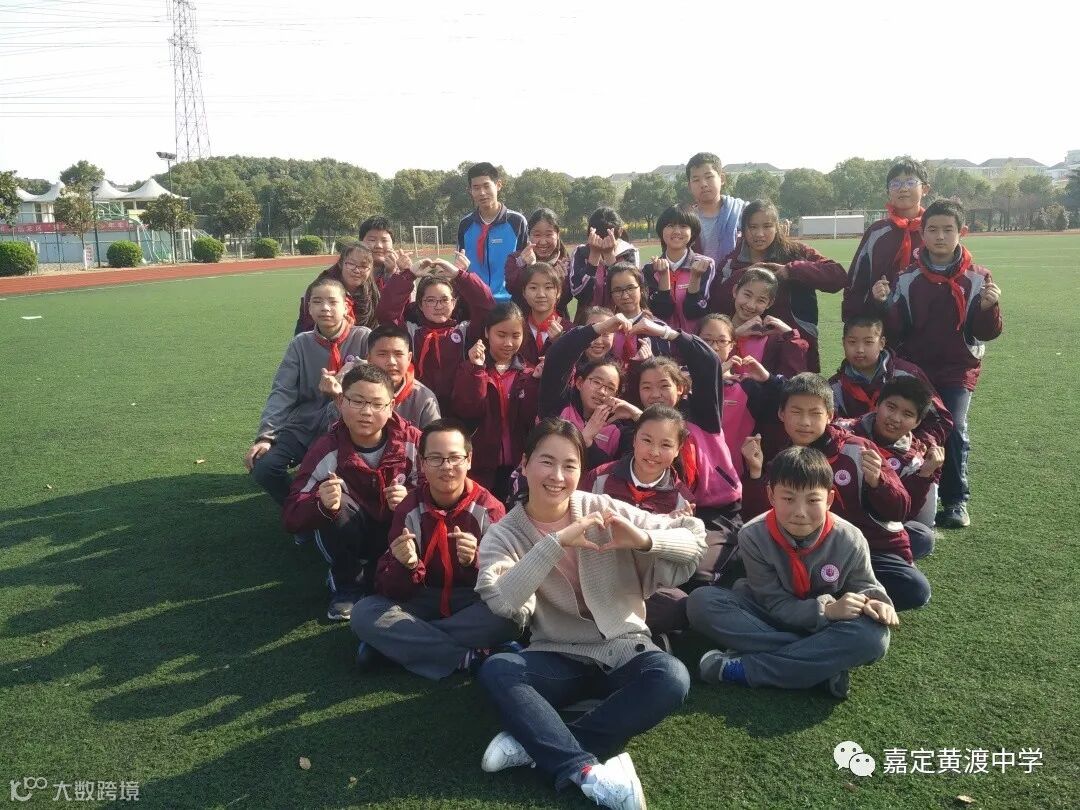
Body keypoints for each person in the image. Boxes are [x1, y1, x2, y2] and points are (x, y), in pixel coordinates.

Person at [475, 418, 706, 809]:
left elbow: (695, 537)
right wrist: (555, 544)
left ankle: (538, 743)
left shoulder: (600, 507)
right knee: (498, 670)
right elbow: (502, 600)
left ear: (581, 471)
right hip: (558, 655)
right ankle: (586, 772)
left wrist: (645, 539)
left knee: (671, 677)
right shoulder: (504, 533)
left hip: (623, 650)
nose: (558, 476)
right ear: (525, 463)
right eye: (546, 462)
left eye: (570, 465)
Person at [687, 446, 896, 700]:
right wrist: (827, 611)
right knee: (701, 602)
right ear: (771, 495)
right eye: (788, 499)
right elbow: (773, 602)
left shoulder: (850, 538)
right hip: (768, 616)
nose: (800, 512)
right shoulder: (753, 535)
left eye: (813, 500)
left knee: (874, 637)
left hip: (827, 627)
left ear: (829, 499)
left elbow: (865, 586)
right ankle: (820, 666)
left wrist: (876, 602)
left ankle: (748, 669)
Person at [742, 373, 930, 611]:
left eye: (815, 413)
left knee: (915, 588)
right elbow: (760, 521)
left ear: (830, 415)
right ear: (781, 413)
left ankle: (820, 601)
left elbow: (900, 511)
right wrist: (755, 474)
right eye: (796, 412)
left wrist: (878, 483)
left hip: (866, 550)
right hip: (808, 552)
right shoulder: (782, 458)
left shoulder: (858, 449)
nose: (805, 422)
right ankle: (827, 604)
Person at [349, 419, 520, 678]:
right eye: (436, 459)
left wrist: (475, 561)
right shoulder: (408, 508)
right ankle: (467, 657)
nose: (447, 467)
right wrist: (405, 566)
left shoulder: (490, 509)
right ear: (422, 463)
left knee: (510, 617)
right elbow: (388, 587)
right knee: (363, 613)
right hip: (423, 597)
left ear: (469, 460)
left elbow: (505, 582)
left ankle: (398, 644)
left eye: (455, 458)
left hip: (471, 601)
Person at [874, 198, 1003, 529]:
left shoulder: (978, 277)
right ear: (923, 233)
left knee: (954, 428)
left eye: (948, 229)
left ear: (962, 232)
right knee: (908, 425)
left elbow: (985, 333)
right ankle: (902, 494)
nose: (940, 236)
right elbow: (897, 330)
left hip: (958, 368)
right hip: (915, 367)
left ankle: (955, 500)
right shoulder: (907, 277)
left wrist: (988, 308)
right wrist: (885, 304)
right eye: (932, 229)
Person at [282, 364, 421, 620]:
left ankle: (390, 572)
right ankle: (347, 583)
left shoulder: (413, 441)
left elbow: (443, 488)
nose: (366, 412)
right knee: (336, 505)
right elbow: (291, 514)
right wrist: (320, 504)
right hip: (351, 528)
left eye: (377, 404)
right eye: (357, 401)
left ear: (391, 406)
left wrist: (410, 498)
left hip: (393, 530)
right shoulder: (326, 448)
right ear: (340, 402)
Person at [248, 277, 370, 512]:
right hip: (303, 426)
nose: (325, 308)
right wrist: (265, 437)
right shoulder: (300, 343)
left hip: (347, 428)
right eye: (317, 302)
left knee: (344, 476)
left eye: (332, 302)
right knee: (264, 467)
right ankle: (298, 509)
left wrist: (344, 383)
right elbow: (282, 391)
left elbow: (376, 382)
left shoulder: (363, 337)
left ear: (346, 306)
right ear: (309, 309)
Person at [683, 199, 846, 371]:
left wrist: (791, 270)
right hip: (744, 355)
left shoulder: (796, 253)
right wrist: (747, 274)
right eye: (753, 227)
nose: (759, 234)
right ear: (743, 229)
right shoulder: (732, 261)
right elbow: (717, 306)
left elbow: (838, 276)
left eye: (767, 226)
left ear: (777, 227)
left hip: (793, 351)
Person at [376, 253, 494, 413]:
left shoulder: (466, 331)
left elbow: (486, 306)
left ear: (454, 303)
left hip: (460, 410)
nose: (438, 306)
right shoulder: (410, 332)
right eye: (430, 300)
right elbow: (386, 313)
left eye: (445, 300)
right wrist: (408, 275)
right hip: (419, 408)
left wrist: (460, 276)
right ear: (420, 305)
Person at [837, 376, 945, 550]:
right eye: (891, 407)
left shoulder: (915, 460)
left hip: (877, 527)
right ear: (877, 404)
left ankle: (863, 554)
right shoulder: (842, 431)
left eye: (907, 414)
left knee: (922, 537)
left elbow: (906, 514)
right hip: (834, 518)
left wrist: (924, 475)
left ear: (917, 422)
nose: (895, 418)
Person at [451, 303, 541, 501]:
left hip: (519, 465)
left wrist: (535, 382)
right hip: (482, 465)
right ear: (487, 332)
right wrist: (476, 370)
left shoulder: (528, 373)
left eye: (515, 336)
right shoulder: (470, 369)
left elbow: (530, 417)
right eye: (501, 335)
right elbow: (467, 409)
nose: (508, 343)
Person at [829, 314, 952, 448]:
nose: (860, 350)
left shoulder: (908, 374)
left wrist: (921, 445)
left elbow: (941, 419)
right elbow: (830, 428)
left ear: (881, 343)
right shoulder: (835, 386)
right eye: (852, 342)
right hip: (858, 454)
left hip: (905, 454)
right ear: (843, 343)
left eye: (868, 342)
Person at [539, 315, 641, 471]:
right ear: (579, 383)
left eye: (610, 388)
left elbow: (623, 469)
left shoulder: (619, 430)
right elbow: (558, 357)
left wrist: (637, 415)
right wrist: (601, 328)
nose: (602, 391)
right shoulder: (559, 405)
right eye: (596, 382)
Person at [842, 158, 930, 321]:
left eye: (910, 182)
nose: (903, 188)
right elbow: (856, 281)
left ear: (925, 188)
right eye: (895, 184)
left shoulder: (934, 230)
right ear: (888, 192)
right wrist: (851, 320)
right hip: (881, 322)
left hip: (925, 322)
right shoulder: (876, 232)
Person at [456, 162, 528, 302]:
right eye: (476, 188)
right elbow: (461, 266)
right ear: (470, 190)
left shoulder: (517, 222)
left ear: (498, 185)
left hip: (509, 304)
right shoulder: (465, 224)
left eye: (486, 186)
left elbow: (525, 264)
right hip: (474, 302)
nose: (482, 192)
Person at [643, 204, 714, 333]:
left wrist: (695, 277)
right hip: (661, 341)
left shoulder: (705, 265)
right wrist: (663, 277)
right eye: (670, 225)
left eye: (683, 226)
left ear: (693, 231)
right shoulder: (649, 269)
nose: (676, 231)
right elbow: (661, 312)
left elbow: (695, 312)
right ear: (661, 231)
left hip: (694, 341)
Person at [294, 242, 385, 333]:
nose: (357, 270)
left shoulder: (373, 292)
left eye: (364, 266)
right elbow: (310, 327)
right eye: (351, 264)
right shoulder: (322, 288)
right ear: (341, 264)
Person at [363, 323, 441, 428]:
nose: (391, 362)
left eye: (398, 354)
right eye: (382, 354)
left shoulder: (424, 398)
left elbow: (434, 437)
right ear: (369, 359)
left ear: (409, 358)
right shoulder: (355, 391)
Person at [566, 207, 639, 319]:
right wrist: (594, 256)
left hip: (622, 320)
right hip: (588, 322)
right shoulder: (581, 252)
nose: (603, 244)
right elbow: (580, 294)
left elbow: (628, 292)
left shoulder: (629, 253)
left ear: (620, 232)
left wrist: (610, 256)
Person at [504, 208, 571, 317]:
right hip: (522, 321)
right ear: (528, 235)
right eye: (537, 235)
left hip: (555, 324)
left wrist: (561, 282)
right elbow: (511, 289)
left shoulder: (564, 262)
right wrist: (528, 268)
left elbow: (565, 300)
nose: (543, 242)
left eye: (548, 235)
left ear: (558, 235)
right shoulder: (516, 259)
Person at [684, 152, 746, 264]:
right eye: (696, 180)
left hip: (737, 274)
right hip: (696, 275)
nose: (703, 184)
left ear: (722, 178)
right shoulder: (684, 219)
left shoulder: (743, 212)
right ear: (689, 186)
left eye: (709, 177)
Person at [515, 261, 572, 365]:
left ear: (558, 292)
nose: (541, 294)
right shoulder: (517, 328)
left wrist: (560, 343)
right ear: (524, 292)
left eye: (548, 287)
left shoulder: (570, 330)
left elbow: (573, 368)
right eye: (533, 288)